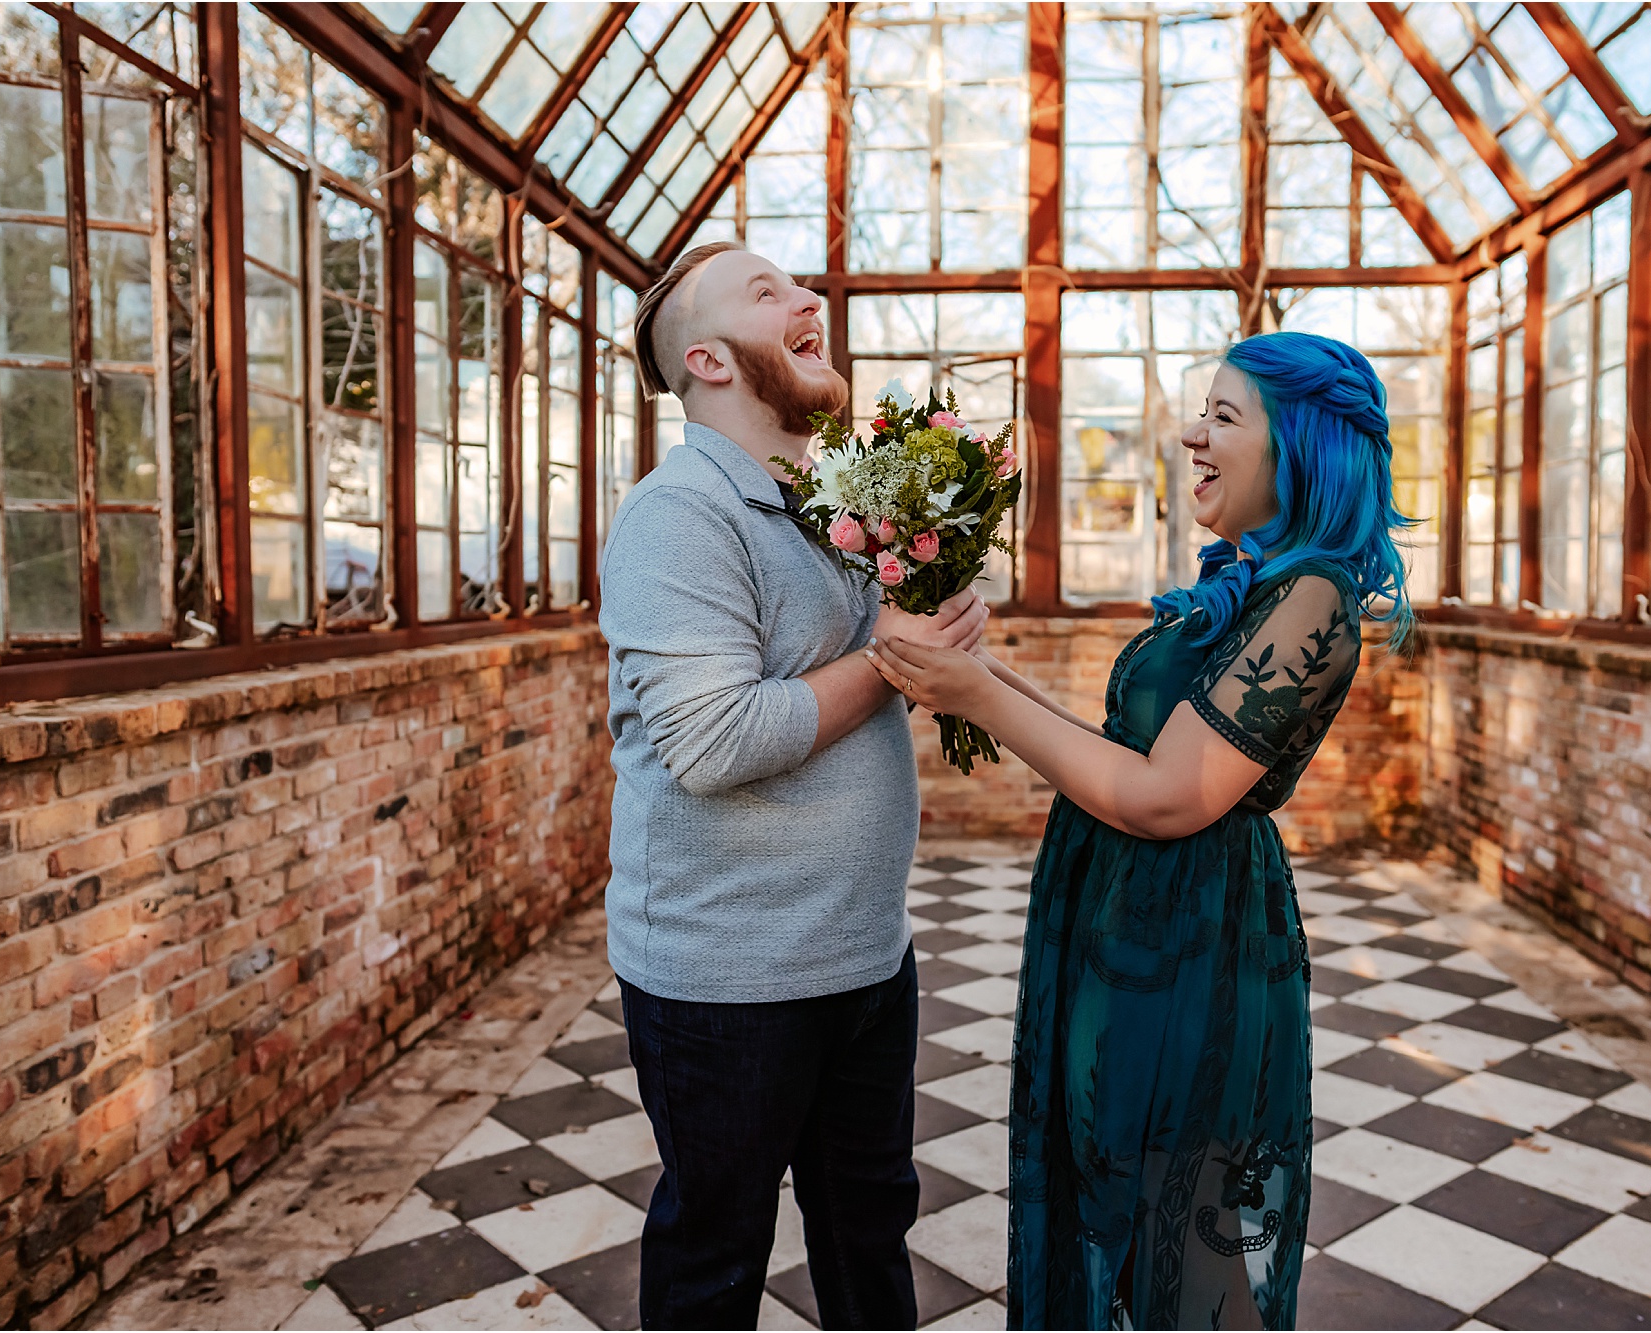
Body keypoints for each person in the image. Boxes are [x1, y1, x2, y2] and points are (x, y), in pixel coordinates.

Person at [867, 332, 1416, 1330]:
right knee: (1103, 1178)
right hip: (1125, 917)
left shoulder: (1317, 595)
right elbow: (1125, 748)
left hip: (1193, 945)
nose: (1187, 435)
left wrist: (978, 700)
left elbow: (1165, 794)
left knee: (1177, 1229)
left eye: (1222, 416)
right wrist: (972, 670)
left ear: (1299, 443)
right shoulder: (1255, 580)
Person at [599, 241, 988, 1330]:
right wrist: (892, 656)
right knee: (716, 1255)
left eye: (798, 284)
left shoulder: (833, 506)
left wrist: (938, 644)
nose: (807, 297)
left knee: (869, 1229)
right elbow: (716, 739)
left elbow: (851, 688)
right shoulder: (681, 516)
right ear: (710, 360)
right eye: (766, 292)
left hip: (863, 951)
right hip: (726, 976)